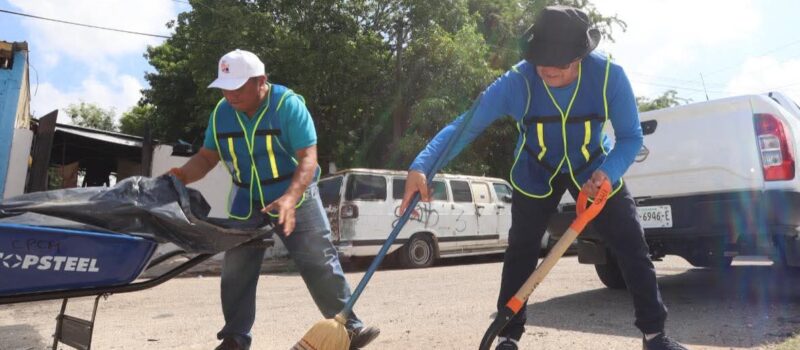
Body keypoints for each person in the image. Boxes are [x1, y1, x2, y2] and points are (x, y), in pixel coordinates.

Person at [400, 6, 688, 350]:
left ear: (580, 57)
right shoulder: (517, 81)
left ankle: (655, 336)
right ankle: (508, 335)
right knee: (521, 250)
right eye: (542, 63)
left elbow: (631, 137)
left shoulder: (610, 76)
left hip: (593, 170)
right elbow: (466, 124)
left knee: (631, 244)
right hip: (534, 170)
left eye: (560, 65)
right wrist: (422, 165)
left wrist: (609, 173)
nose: (548, 70)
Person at [168, 49, 379, 350]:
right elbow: (206, 157)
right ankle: (235, 339)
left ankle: (348, 328)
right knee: (237, 267)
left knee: (317, 259)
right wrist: (179, 176)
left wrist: (291, 198)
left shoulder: (288, 106)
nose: (231, 95)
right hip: (246, 199)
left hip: (296, 192)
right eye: (225, 88)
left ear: (261, 81)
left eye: (238, 87)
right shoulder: (221, 113)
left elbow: (308, 158)